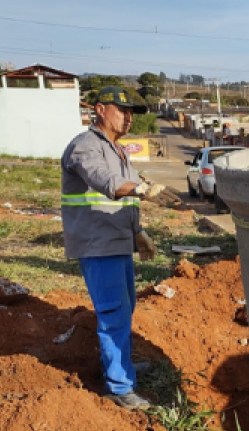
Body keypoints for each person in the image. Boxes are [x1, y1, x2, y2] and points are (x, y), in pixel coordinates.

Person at [60, 86, 158, 410]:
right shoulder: (84, 147)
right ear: (101, 110)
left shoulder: (118, 150)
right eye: (122, 110)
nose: (128, 117)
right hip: (97, 244)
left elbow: (123, 200)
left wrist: (138, 233)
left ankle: (122, 369)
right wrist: (142, 188)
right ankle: (119, 387)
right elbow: (104, 181)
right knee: (113, 313)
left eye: (132, 113)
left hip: (117, 243)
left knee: (124, 310)